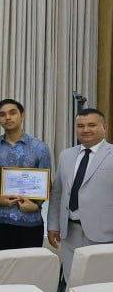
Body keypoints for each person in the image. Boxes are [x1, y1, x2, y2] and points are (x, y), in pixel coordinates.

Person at [48, 108, 113, 278]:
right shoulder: (66, 155)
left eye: (92, 125)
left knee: (99, 283)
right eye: (80, 126)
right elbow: (58, 193)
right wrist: (53, 225)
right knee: (72, 280)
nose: (85, 130)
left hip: (104, 234)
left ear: (104, 127)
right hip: (69, 232)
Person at [0, 99, 52, 252]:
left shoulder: (40, 148)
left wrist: (36, 205)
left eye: (12, 113)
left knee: (28, 267)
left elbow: (46, 184)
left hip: (29, 221)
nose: (7, 117)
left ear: (22, 115)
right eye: (2, 114)